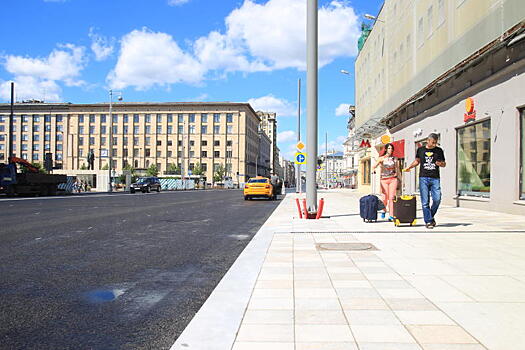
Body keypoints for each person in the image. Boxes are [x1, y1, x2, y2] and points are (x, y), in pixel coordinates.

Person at [403, 133, 446, 229]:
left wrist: (440, 164)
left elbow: (444, 164)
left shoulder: (439, 151)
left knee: (437, 199)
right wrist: (409, 167)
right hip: (423, 178)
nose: (435, 145)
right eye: (433, 142)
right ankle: (429, 221)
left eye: (436, 143)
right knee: (425, 202)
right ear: (428, 140)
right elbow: (417, 161)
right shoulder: (421, 150)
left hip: (435, 178)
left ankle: (429, 217)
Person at [373, 143, 399, 221]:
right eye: (389, 148)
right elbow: (374, 166)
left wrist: (399, 179)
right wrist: (374, 169)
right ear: (386, 149)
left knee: (391, 197)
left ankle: (391, 215)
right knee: (385, 197)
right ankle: (384, 210)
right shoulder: (381, 158)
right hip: (384, 180)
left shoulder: (395, 159)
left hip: (393, 179)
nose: (390, 150)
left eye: (391, 148)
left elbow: (397, 169)